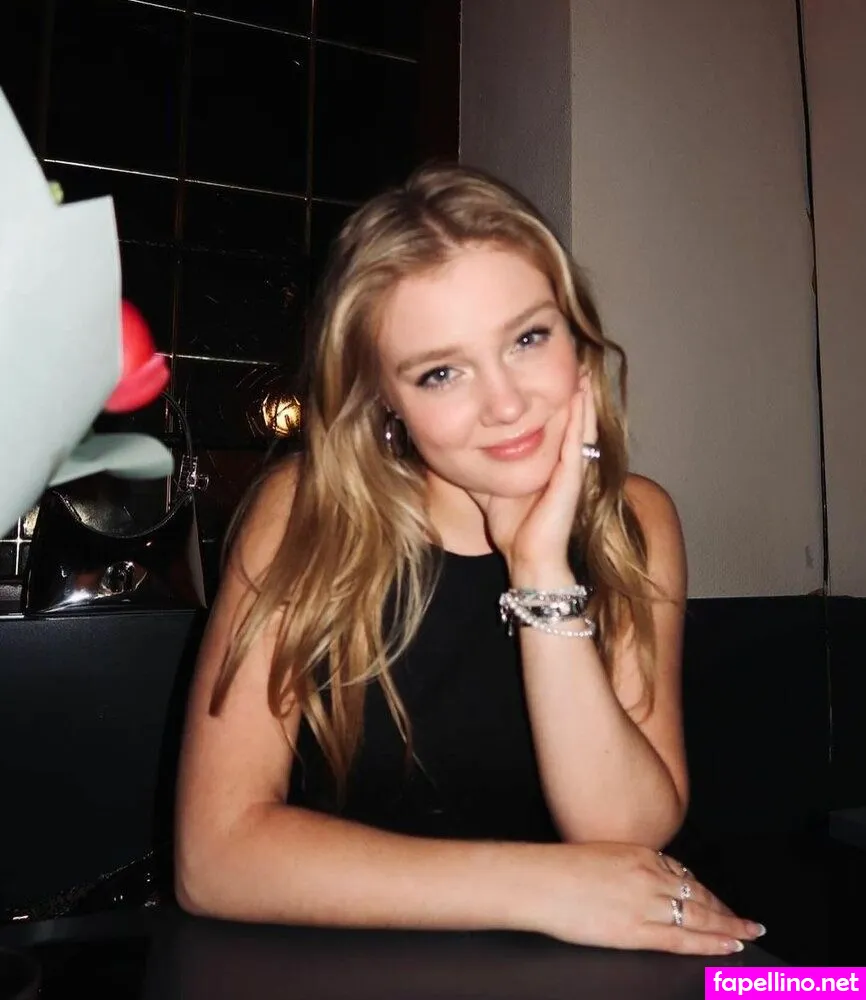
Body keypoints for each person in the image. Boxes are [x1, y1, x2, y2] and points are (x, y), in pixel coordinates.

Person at [175, 163, 764, 955]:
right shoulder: (305, 513)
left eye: (528, 338)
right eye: (442, 372)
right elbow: (214, 857)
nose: (507, 404)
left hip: (574, 972)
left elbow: (625, 833)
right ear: (384, 399)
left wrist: (540, 568)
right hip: (346, 970)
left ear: (577, 337)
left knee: (824, 993)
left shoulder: (636, 519)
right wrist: (542, 888)